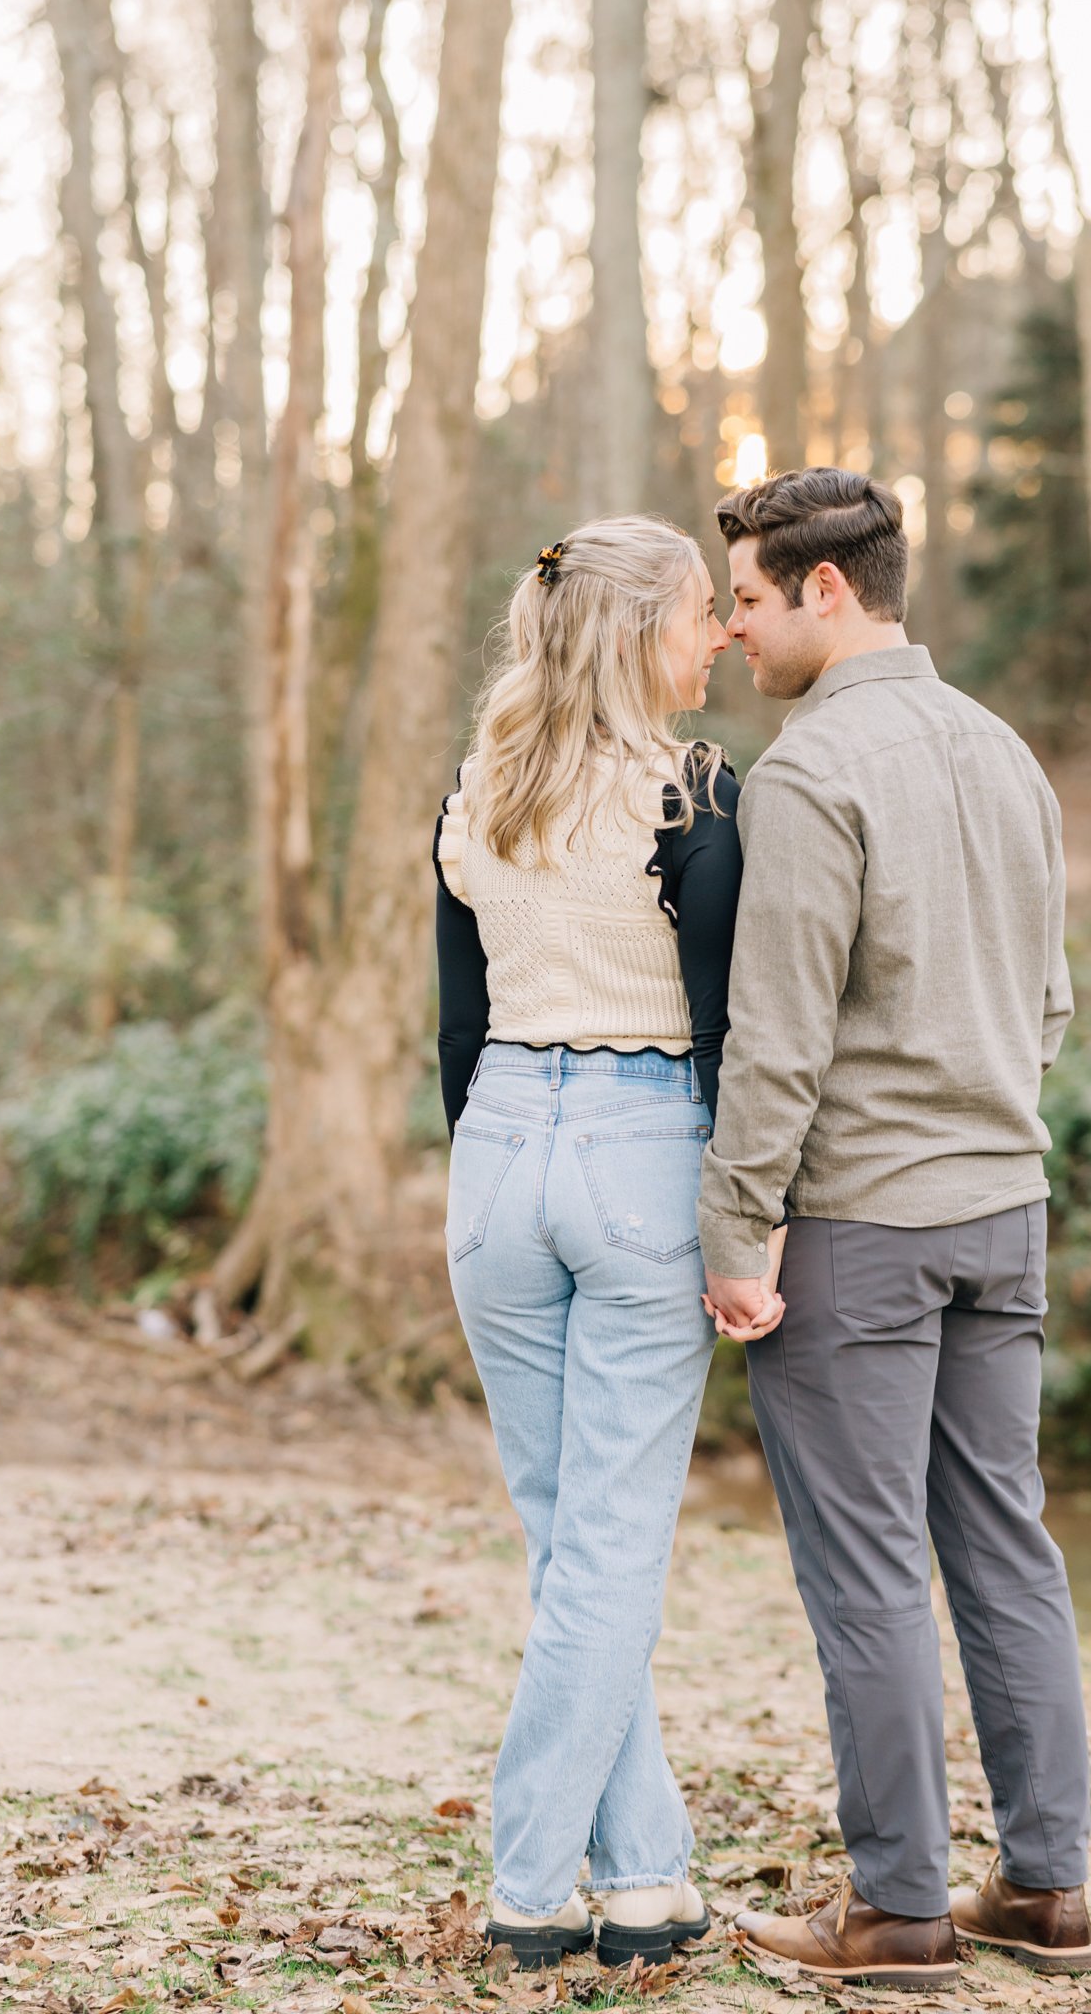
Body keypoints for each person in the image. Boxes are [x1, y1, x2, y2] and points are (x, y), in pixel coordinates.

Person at [700, 468, 1091, 1989]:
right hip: (1006, 1208)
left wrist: (737, 1229)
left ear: (822, 590)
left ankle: (899, 1912)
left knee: (866, 1567)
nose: (734, 631)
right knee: (1008, 1546)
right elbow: (1047, 1006)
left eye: (745, 599)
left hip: (859, 1224)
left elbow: (778, 1032)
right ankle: (1050, 1893)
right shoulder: (1008, 755)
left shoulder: (811, 773)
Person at [433, 515, 780, 1971]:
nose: (720, 636)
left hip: (498, 1148)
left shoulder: (478, 789)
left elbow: (459, 1024)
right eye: (705, 612)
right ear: (645, 629)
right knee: (609, 1546)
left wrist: (494, 1154)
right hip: (644, 1139)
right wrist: (745, 1216)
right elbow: (733, 1030)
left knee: (574, 1539)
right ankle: (529, 1884)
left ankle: (646, 1878)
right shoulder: (697, 796)